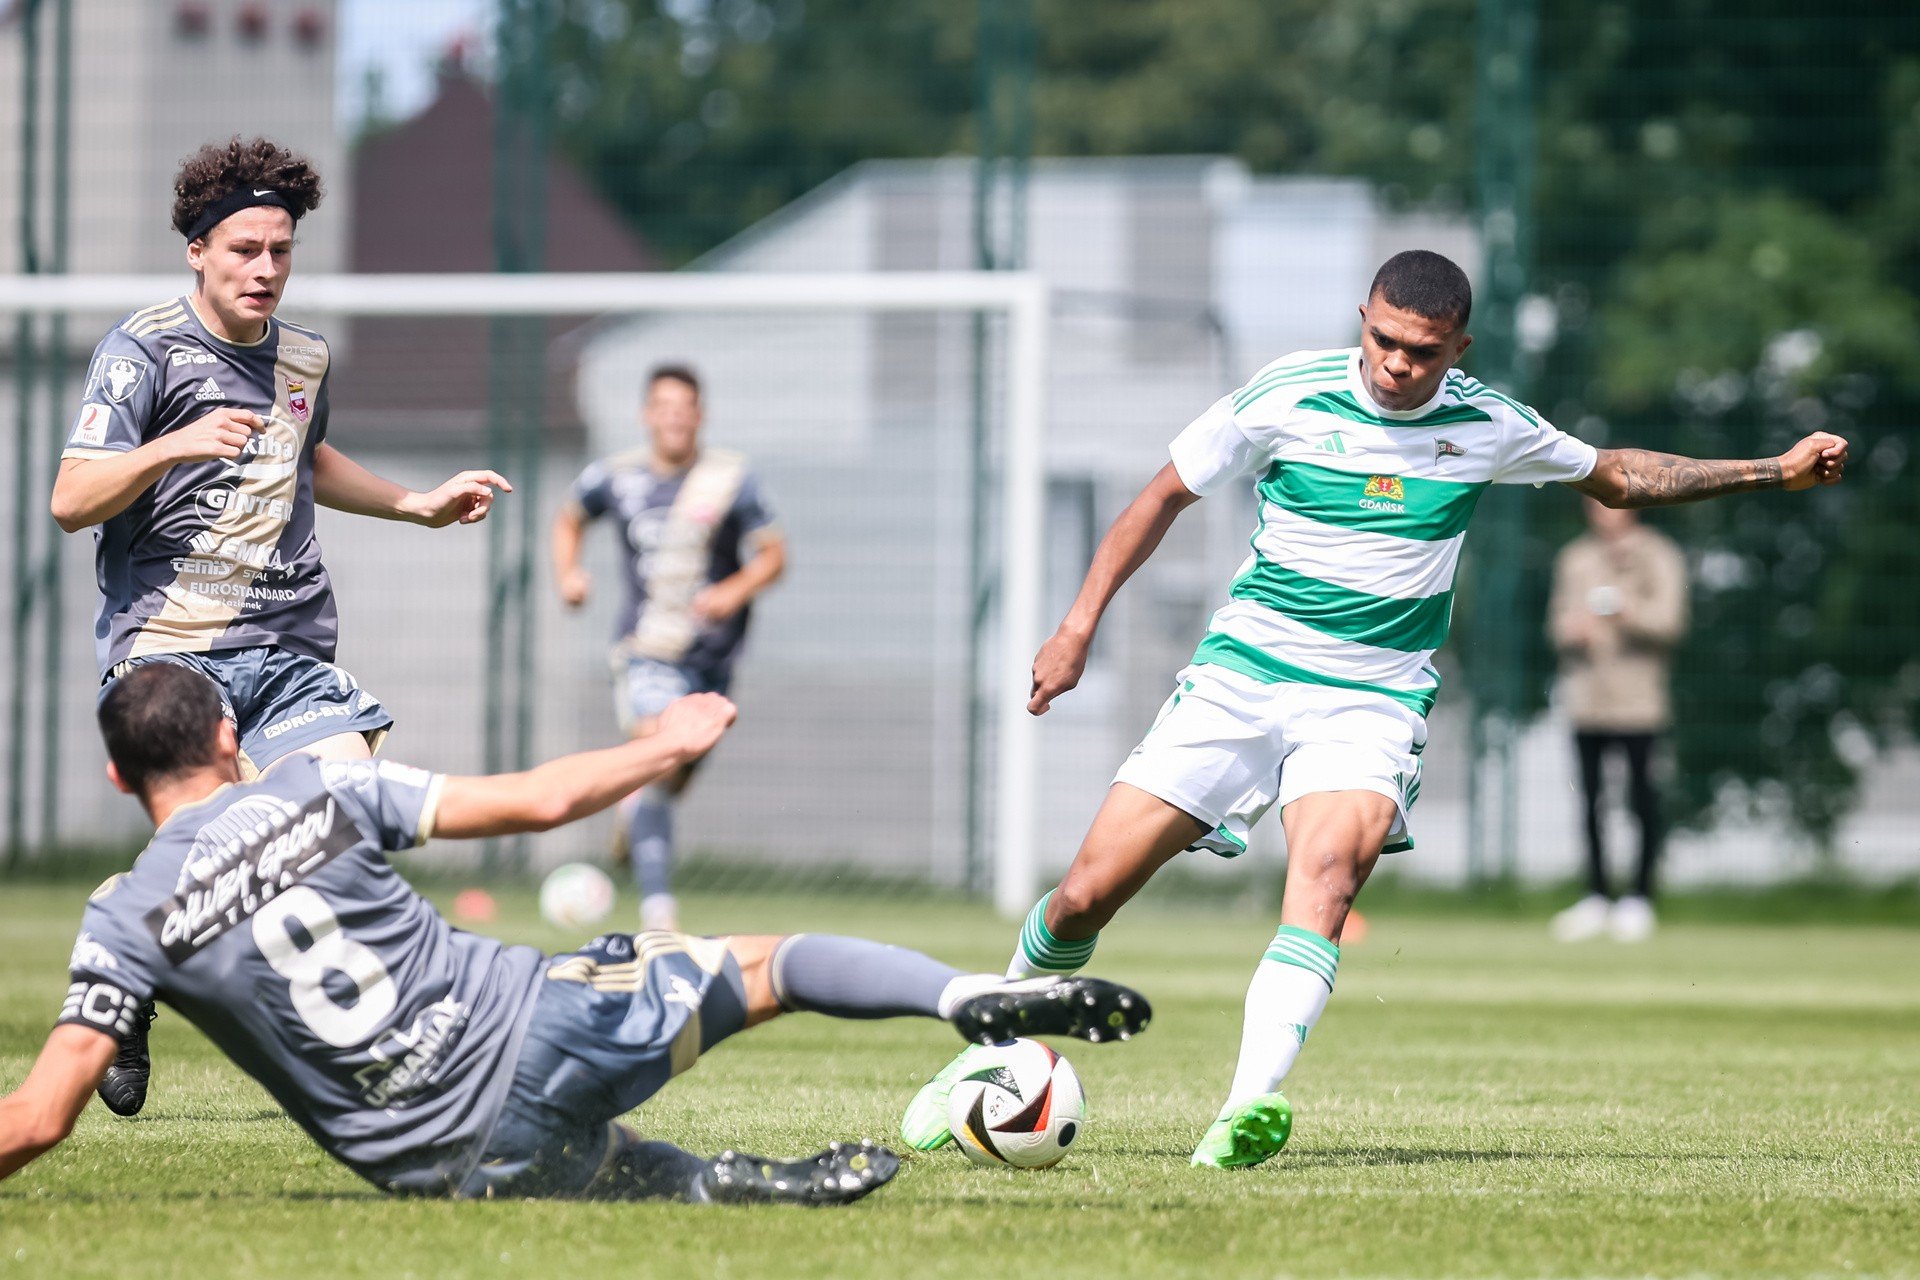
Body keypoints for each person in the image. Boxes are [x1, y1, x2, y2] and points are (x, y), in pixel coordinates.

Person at [900, 250, 1848, 1169]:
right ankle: (980, 1051)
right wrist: (1076, 628)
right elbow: (1161, 497)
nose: (1400, 364)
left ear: (1459, 348)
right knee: (1086, 893)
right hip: (1244, 675)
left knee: (1327, 876)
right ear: (1364, 316)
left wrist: (1774, 470)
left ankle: (1244, 1109)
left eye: (1425, 350)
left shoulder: (1489, 426)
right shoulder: (1286, 393)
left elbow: (1619, 476)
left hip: (1373, 696)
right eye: (1387, 339)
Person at [0, 664, 1149, 1203]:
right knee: (773, 964)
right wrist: (668, 740)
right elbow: (544, 801)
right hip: (535, 1028)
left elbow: (44, 1114)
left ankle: (728, 1187)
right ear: (230, 730)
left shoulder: (123, 913)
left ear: (116, 773)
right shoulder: (314, 788)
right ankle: (958, 1000)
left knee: (609, 1173)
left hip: (429, 1159)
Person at [49, 137, 512, 1118]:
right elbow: (70, 496)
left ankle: (394, 1052)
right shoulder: (142, 353)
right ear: (198, 252)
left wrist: (416, 503)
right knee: (218, 851)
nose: (264, 269)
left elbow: (309, 457)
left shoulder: (304, 354)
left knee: (336, 832)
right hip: (169, 652)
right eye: (243, 250)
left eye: (280, 251)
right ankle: (130, 984)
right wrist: (175, 442)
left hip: (293, 652)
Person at [551, 365, 786, 932]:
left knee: (672, 773)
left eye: (686, 406)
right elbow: (568, 518)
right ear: (647, 414)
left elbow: (774, 555)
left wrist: (734, 590)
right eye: (664, 405)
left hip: (712, 656)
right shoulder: (617, 476)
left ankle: (634, 812)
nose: (675, 416)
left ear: (700, 415)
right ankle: (660, 914)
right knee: (661, 748)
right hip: (646, 649)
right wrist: (570, 574)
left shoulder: (731, 479)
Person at [1547, 499, 1688, 942]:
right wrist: (1572, 630)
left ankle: (1641, 897)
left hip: (1639, 701)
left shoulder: (1659, 554)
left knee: (1643, 800)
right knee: (1590, 801)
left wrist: (1625, 612)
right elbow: (1555, 624)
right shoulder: (1575, 557)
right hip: (1588, 699)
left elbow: (1671, 622)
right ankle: (1596, 895)